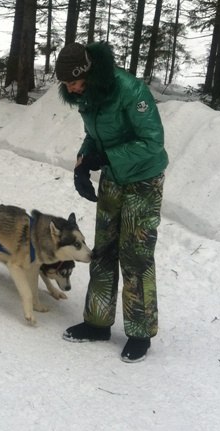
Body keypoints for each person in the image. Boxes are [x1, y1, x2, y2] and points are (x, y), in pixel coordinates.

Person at [55, 41, 168, 363]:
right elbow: (95, 135)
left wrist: (105, 156)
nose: (71, 89)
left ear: (90, 72)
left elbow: (152, 143)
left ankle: (140, 332)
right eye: (66, 85)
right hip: (114, 175)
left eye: (74, 82)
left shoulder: (130, 91)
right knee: (103, 248)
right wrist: (82, 163)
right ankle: (97, 321)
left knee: (135, 253)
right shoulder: (86, 95)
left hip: (144, 178)